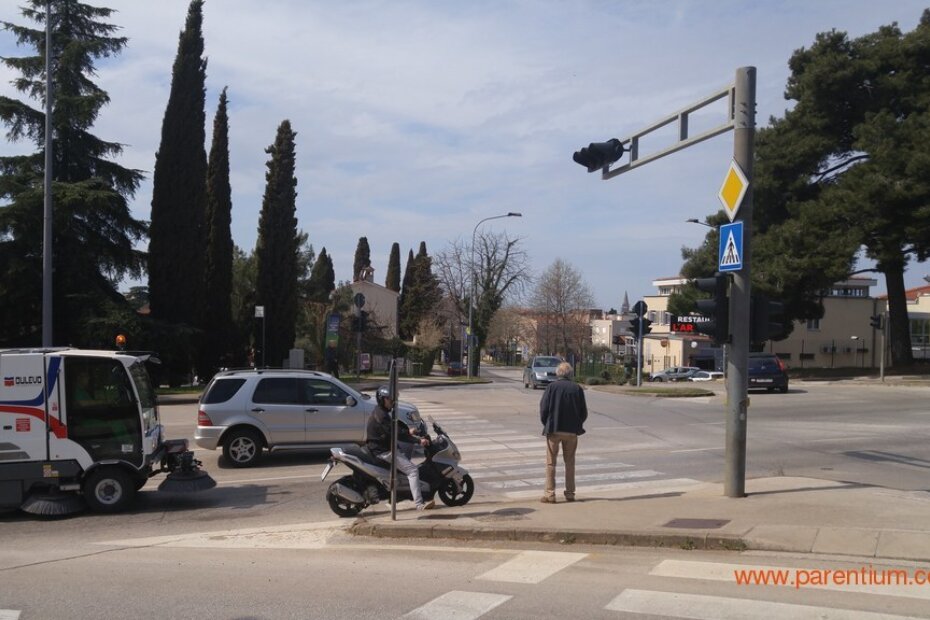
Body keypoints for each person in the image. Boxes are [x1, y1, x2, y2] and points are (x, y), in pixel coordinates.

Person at [366, 386, 434, 511]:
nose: (392, 401)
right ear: (382, 399)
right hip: (383, 451)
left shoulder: (380, 411)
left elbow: (394, 428)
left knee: (405, 454)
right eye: (389, 399)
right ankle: (419, 504)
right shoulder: (382, 416)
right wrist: (419, 440)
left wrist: (408, 431)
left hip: (380, 447)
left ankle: (397, 496)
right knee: (413, 470)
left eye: (393, 399)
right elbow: (396, 434)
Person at [538, 361, 587, 503]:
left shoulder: (551, 387)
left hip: (554, 429)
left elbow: (543, 408)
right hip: (571, 431)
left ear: (557, 373)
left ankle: (550, 494)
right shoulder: (577, 388)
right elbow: (583, 412)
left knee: (551, 463)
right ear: (570, 374)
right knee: (570, 463)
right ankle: (570, 493)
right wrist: (577, 424)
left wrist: (547, 423)